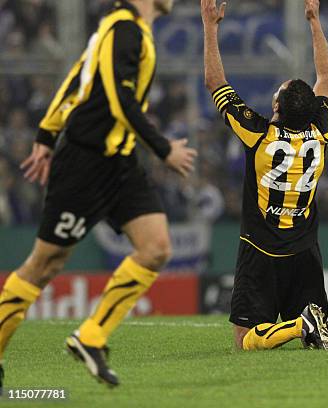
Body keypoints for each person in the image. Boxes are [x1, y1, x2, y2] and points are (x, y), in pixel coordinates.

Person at [0, 0, 197, 389]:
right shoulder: (123, 28)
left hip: (119, 163)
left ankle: (91, 337)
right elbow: (119, 100)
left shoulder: (131, 30)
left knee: (156, 247)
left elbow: (78, 77)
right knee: (45, 264)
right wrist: (163, 148)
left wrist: (45, 132)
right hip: (85, 163)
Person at [201, 0, 328, 351]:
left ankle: (302, 325)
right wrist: (314, 21)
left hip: (261, 250)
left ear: (277, 108)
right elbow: (326, 76)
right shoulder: (320, 131)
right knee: (316, 341)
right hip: (305, 250)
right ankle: (325, 325)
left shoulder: (258, 133)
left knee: (244, 341)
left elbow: (215, 82)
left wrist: (210, 27)